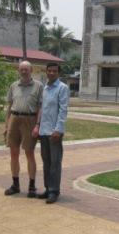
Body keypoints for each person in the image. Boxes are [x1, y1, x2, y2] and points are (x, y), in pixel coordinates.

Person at [4, 60, 43, 198]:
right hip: (14, 119)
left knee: (29, 153)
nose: (24, 71)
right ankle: (15, 184)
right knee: (13, 153)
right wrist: (6, 124)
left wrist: (38, 125)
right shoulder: (14, 86)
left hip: (30, 120)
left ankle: (32, 186)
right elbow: (9, 106)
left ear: (31, 70)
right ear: (18, 71)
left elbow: (40, 107)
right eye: (21, 69)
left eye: (26, 69)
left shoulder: (38, 86)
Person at [33, 62, 69, 204]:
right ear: (46, 72)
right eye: (49, 71)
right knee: (46, 162)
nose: (52, 73)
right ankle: (48, 188)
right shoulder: (45, 88)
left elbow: (63, 110)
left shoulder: (62, 88)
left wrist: (58, 129)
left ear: (58, 73)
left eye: (54, 71)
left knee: (55, 162)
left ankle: (54, 191)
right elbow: (42, 108)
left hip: (54, 132)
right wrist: (37, 125)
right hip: (43, 131)